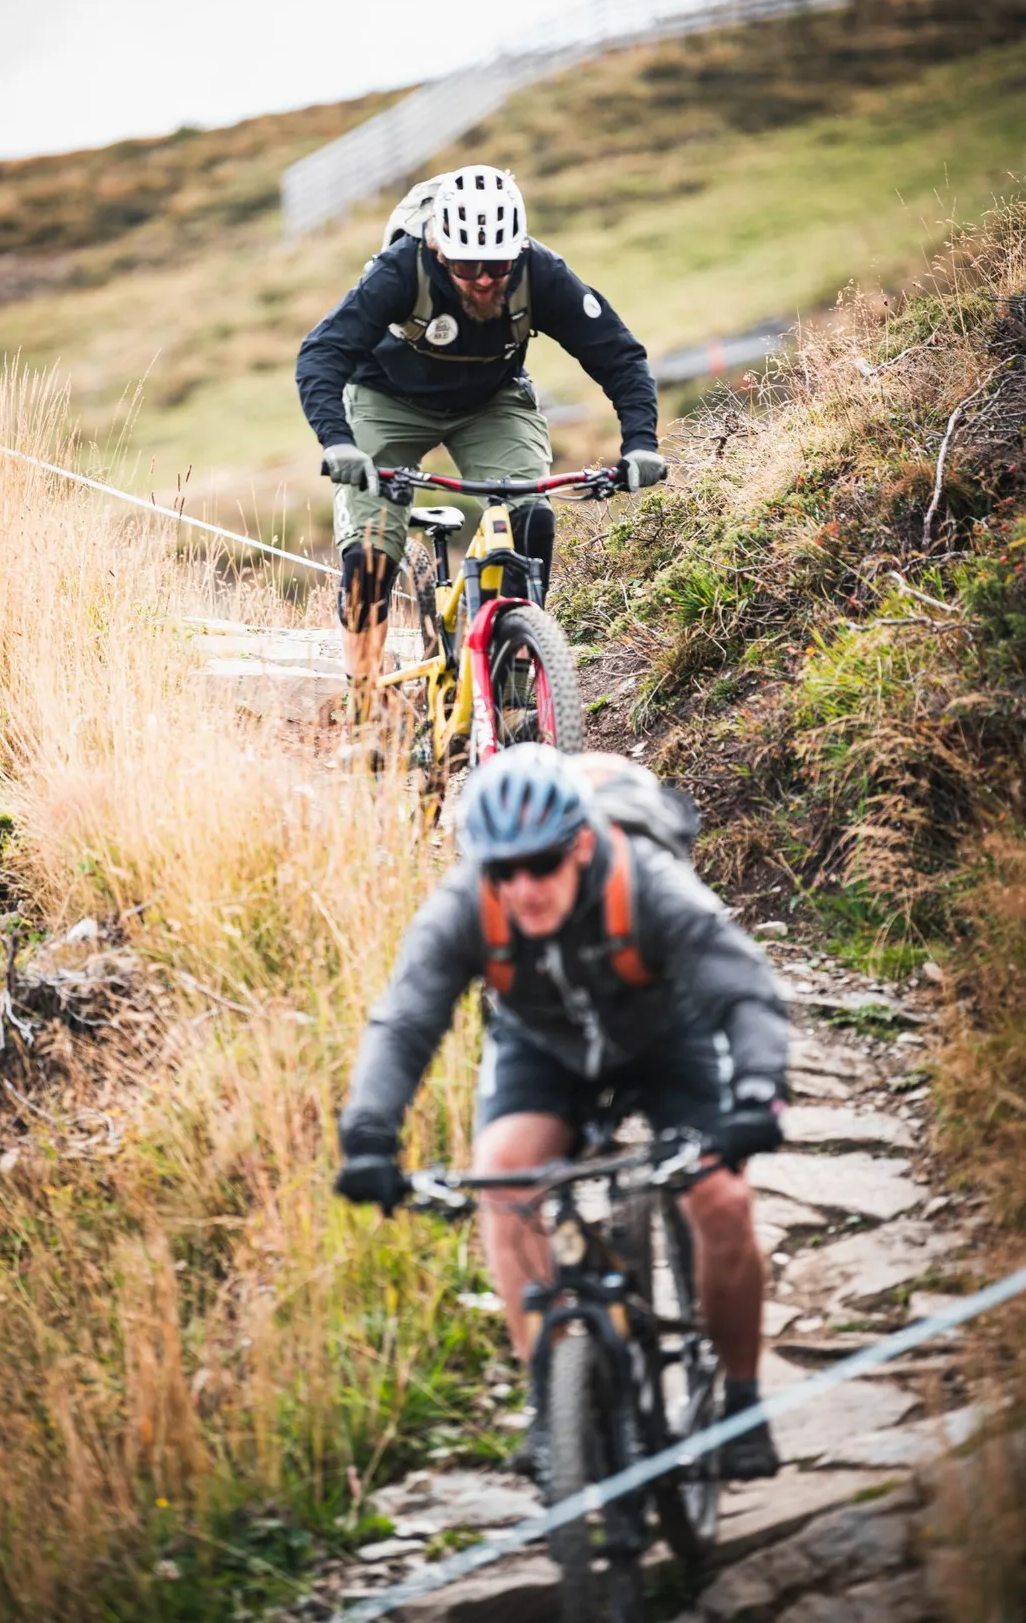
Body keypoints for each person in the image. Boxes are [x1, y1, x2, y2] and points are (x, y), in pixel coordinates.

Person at [335, 744, 789, 1480]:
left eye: (541, 862)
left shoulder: (650, 884)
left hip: (666, 1038)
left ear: (579, 844)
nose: (523, 886)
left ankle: (741, 1402)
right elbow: (405, 1022)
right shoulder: (465, 906)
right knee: (505, 1177)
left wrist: (758, 1095)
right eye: (502, 869)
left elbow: (744, 990)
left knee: (721, 1196)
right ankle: (552, 1404)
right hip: (543, 1046)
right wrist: (367, 1135)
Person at [295, 165, 665, 695]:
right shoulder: (400, 271)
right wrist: (338, 441)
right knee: (369, 556)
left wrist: (641, 444)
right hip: (385, 400)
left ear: (518, 250)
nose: (485, 279)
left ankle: (510, 691)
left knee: (530, 520)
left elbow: (619, 356)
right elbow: (322, 352)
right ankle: (364, 698)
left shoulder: (540, 272)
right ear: (439, 249)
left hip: (491, 401)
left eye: (498, 264)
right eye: (468, 265)